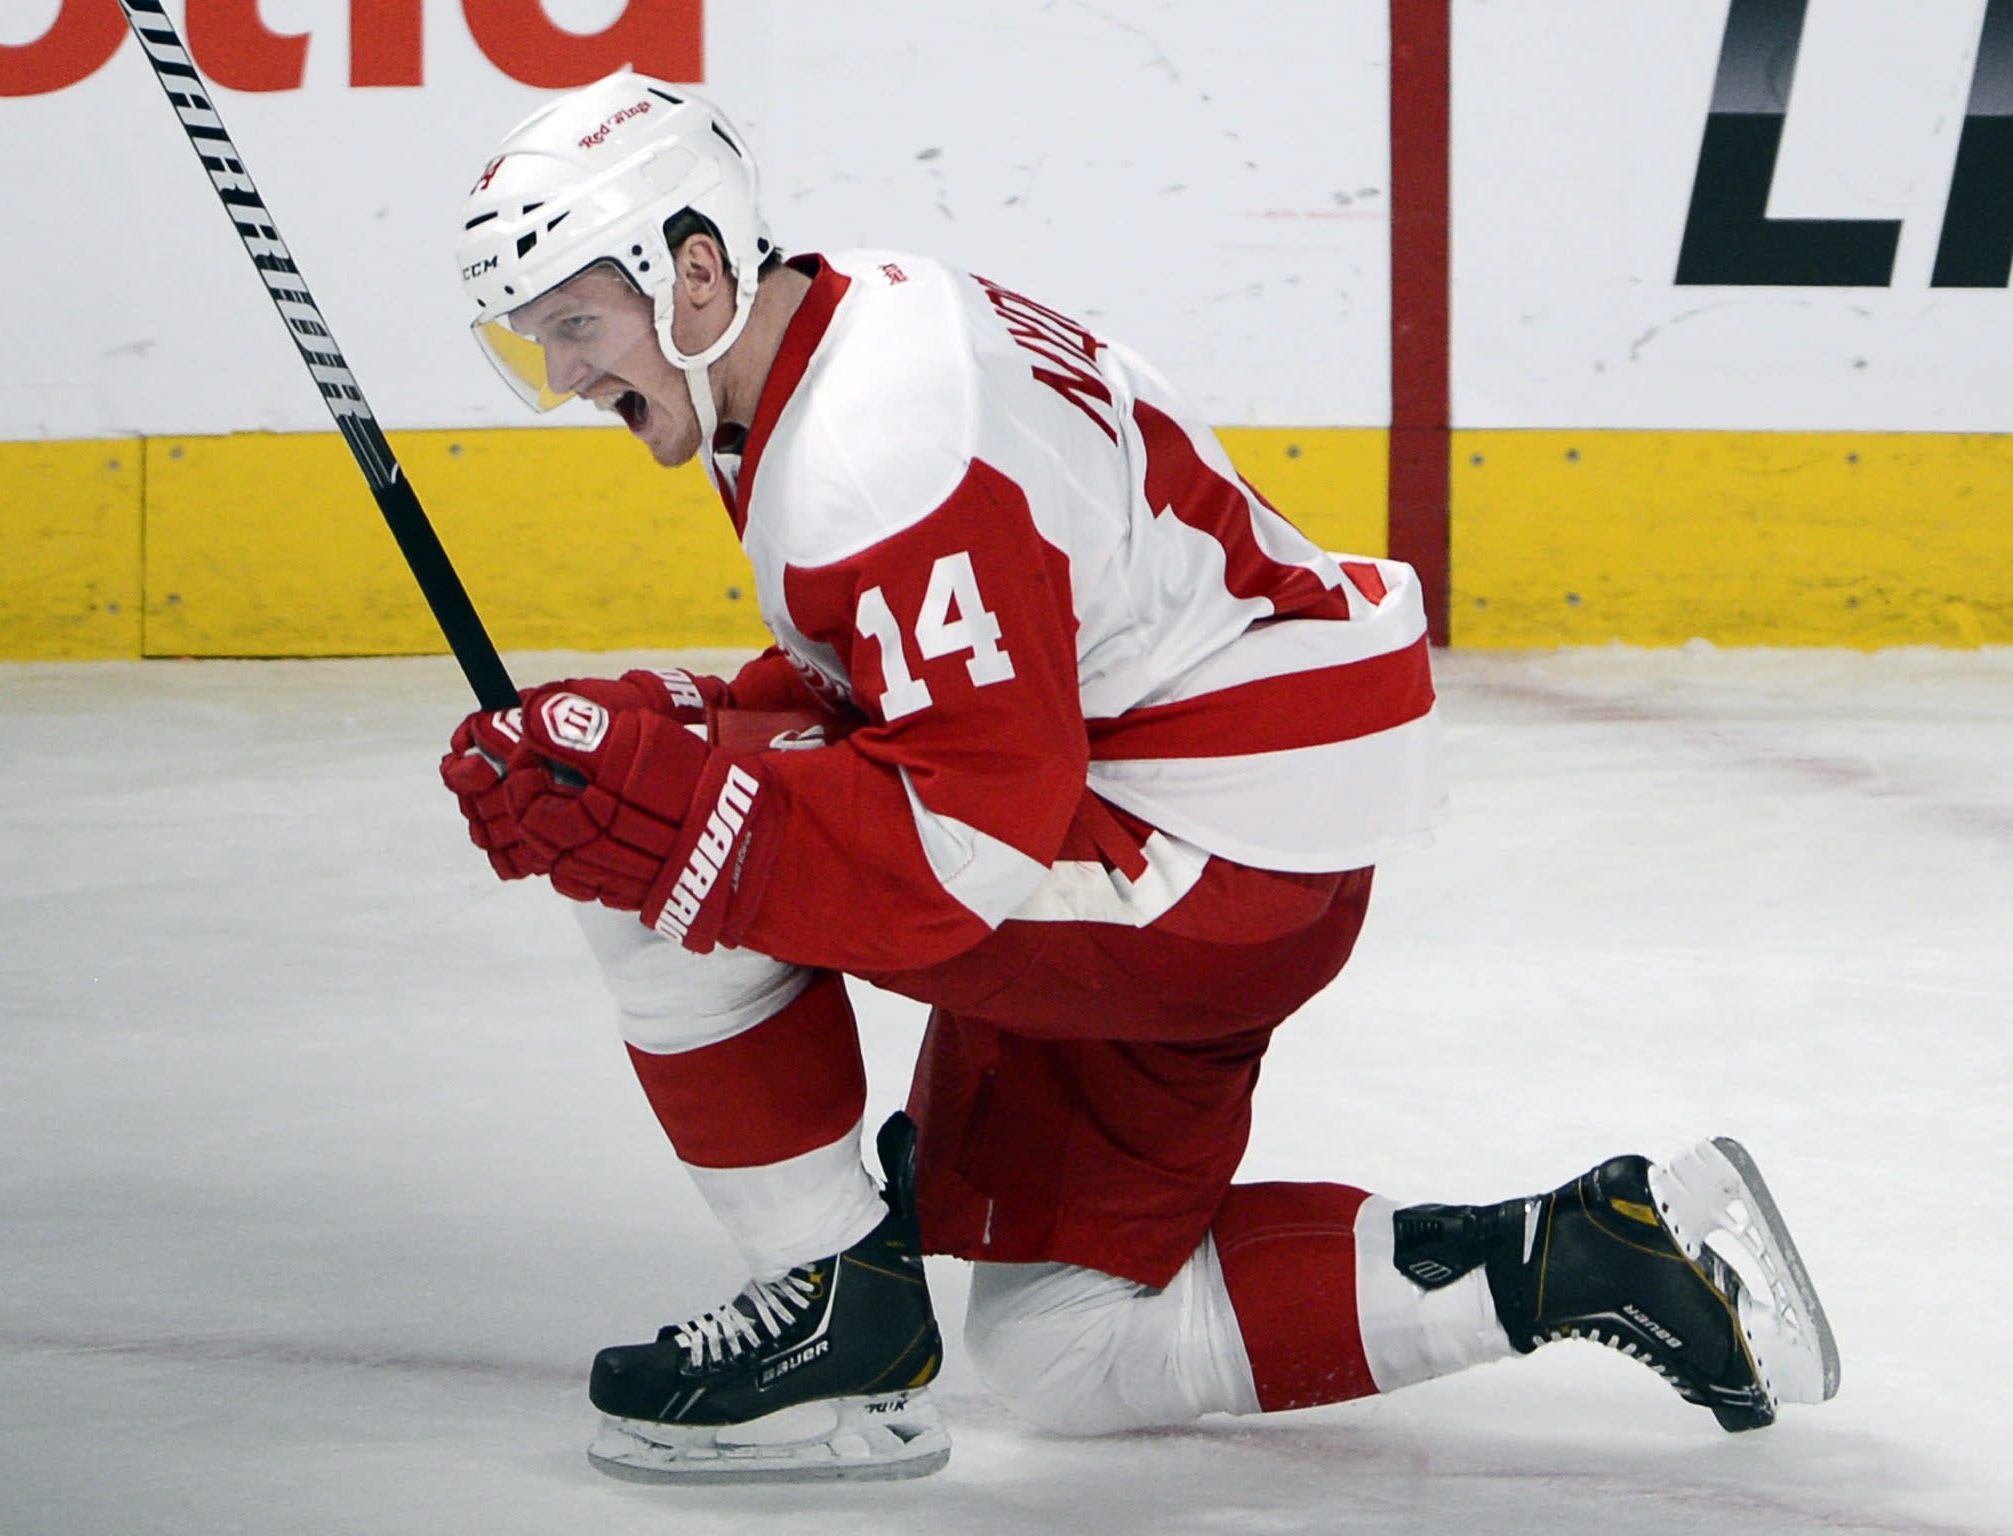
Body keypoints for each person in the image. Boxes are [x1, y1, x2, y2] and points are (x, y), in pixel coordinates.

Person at [440, 70, 1838, 1484]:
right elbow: (932, 675)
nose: (561, 376)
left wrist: (665, 793)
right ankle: (1588, 1251)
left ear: (693, 270)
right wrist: (695, 714)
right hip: (1220, 793)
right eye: (536, 335)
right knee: (1068, 1349)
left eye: (574, 323)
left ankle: (831, 1318)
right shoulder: (833, 320)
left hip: (1206, 853)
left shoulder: (877, 447)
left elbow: (959, 851)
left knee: (630, 848)